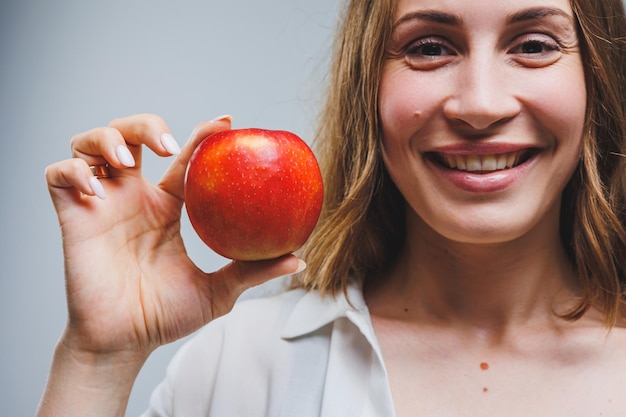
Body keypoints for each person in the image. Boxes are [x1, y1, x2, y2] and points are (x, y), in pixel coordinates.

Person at [38, 0, 626, 415]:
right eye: (428, 47)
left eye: (534, 45)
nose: (479, 104)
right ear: (366, 85)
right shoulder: (238, 364)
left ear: (597, 79)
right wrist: (98, 361)